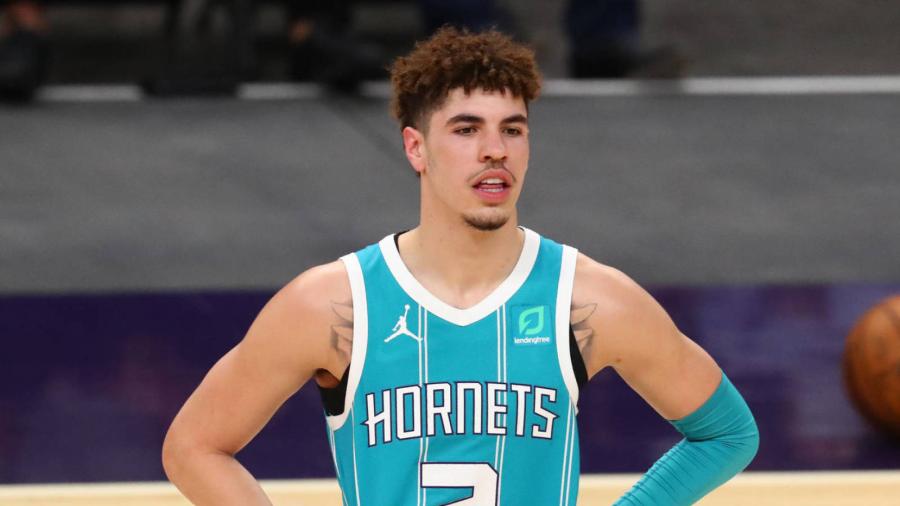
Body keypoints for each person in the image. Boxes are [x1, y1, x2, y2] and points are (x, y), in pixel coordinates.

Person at [162, 26, 758, 505]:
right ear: (416, 147)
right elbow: (194, 447)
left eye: (512, 130)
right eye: (466, 129)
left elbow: (728, 433)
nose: (494, 149)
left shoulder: (589, 300)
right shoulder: (332, 305)